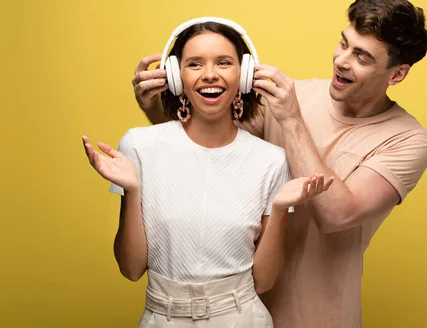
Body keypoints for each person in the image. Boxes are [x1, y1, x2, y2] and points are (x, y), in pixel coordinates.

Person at [132, 0, 427, 327]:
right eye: (343, 44)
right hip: (237, 311)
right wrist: (156, 110)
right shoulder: (294, 95)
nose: (342, 61)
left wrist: (292, 120)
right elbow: (209, 149)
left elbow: (337, 213)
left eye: (361, 57)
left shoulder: (408, 140)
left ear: (396, 74)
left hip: (319, 315)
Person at [82, 18, 333, 328]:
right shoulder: (139, 145)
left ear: (243, 76)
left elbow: (263, 281)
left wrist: (279, 209)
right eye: (195, 64)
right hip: (162, 318)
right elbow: (131, 269)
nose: (210, 74)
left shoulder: (271, 161)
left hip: (243, 318)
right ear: (176, 77)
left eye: (224, 62)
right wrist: (133, 190)